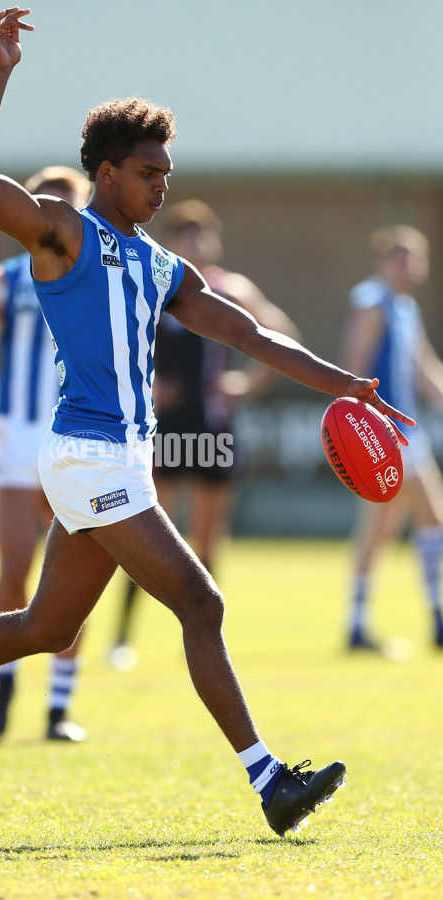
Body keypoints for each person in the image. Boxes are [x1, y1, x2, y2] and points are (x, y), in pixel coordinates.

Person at [0, 8, 415, 838]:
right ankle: (270, 783)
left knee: (48, 628)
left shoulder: (162, 266)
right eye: (151, 172)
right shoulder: (63, 232)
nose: (163, 185)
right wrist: (1, 72)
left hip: (121, 460)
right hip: (87, 455)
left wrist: (349, 384)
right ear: (107, 173)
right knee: (201, 601)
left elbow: (247, 334)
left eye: (168, 172)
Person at [109, 200, 301, 670]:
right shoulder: (156, 283)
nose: (193, 242)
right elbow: (118, 342)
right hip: (163, 429)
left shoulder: (229, 288)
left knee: (208, 541)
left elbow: (281, 333)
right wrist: (146, 386)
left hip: (212, 427)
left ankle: (199, 635)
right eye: (184, 234)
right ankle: (122, 638)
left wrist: (248, 385)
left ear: (213, 240)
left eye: (201, 234)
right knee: (148, 535)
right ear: (171, 241)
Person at [0, 164, 91, 741]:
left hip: (79, 442)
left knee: (73, 579)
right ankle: (6, 680)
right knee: (14, 570)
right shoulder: (3, 282)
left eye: (67, 205)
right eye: (45, 204)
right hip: (16, 440)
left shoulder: (97, 278)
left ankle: (59, 708)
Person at [340, 224, 443, 651]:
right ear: (385, 260)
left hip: (405, 431)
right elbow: (352, 370)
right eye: (401, 255)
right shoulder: (372, 302)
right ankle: (429, 619)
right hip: (386, 434)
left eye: (414, 256)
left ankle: (362, 623)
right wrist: (366, 433)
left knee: (395, 526)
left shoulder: (405, 307)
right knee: (423, 520)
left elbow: (424, 368)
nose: (409, 264)